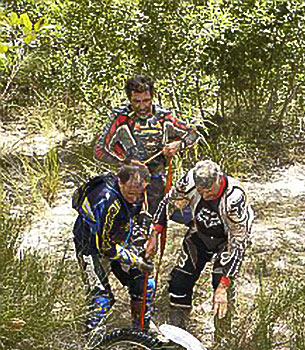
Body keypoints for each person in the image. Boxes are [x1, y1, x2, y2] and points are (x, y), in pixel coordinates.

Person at [149, 159, 254, 326]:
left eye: (210, 191)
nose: (205, 195)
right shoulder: (189, 180)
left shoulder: (234, 198)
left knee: (219, 287)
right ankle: (178, 327)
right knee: (180, 279)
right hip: (200, 231)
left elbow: (239, 243)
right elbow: (167, 202)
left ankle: (223, 335)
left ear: (219, 178)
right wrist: (154, 233)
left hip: (226, 241)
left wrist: (223, 286)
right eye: (201, 191)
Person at [94, 74, 200, 218]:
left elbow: (192, 134)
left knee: (174, 218)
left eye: (146, 100)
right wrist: (126, 163)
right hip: (128, 183)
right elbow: (99, 151)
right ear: (129, 99)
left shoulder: (163, 117)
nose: (142, 106)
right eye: (136, 101)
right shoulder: (120, 118)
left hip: (156, 182)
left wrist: (179, 144)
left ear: (152, 97)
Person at [73, 161, 156, 331]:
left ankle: (141, 332)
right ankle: (92, 344)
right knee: (101, 299)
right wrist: (136, 260)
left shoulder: (138, 192)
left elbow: (141, 217)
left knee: (144, 283)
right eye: (131, 193)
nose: (135, 198)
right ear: (120, 182)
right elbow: (105, 246)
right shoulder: (106, 201)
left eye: (138, 193)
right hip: (91, 248)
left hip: (120, 240)